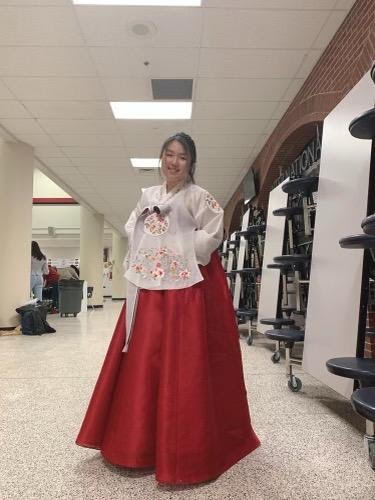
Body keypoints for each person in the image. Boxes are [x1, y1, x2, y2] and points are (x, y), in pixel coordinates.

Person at [76, 132, 260, 485]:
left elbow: (213, 233)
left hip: (184, 289)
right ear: (161, 157)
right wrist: (152, 244)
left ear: (191, 163)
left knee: (182, 361)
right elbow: (134, 226)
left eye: (182, 157)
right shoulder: (148, 196)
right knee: (144, 357)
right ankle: (136, 442)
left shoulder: (199, 196)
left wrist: (180, 246)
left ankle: (184, 447)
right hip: (149, 288)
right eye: (168, 154)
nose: (173, 162)